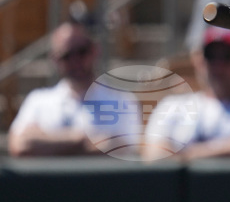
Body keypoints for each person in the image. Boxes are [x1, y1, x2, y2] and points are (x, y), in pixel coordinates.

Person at [143, 28, 230, 160]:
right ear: (198, 60)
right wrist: (229, 149)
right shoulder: (171, 105)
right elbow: (154, 156)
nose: (218, 66)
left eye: (227, 56)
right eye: (210, 56)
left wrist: (182, 156)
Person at [8, 21, 138, 156]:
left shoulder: (122, 100)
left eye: (81, 51)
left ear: (94, 50)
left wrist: (46, 141)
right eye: (66, 55)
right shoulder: (38, 100)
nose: (75, 61)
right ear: (55, 60)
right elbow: (20, 145)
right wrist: (80, 139)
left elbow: (121, 149)